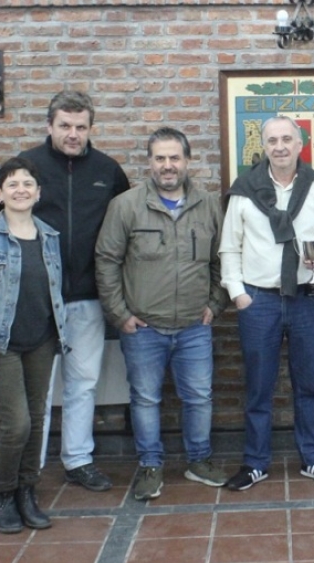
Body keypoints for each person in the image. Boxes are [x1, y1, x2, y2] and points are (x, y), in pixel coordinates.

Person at [0, 90, 129, 492]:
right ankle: (32, 464)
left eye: (81, 127)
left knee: (83, 383)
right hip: (35, 300)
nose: (73, 134)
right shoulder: (26, 167)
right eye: (65, 126)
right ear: (50, 126)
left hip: (87, 296)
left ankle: (78, 460)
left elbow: (122, 227)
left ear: (91, 128)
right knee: (37, 389)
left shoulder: (108, 170)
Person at [95, 128, 229, 501]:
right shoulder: (125, 206)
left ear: (187, 161)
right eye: (160, 158)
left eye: (174, 158)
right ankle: (150, 465)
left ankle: (199, 460)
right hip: (142, 327)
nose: (167, 166)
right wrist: (120, 314)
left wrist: (215, 304)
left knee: (200, 397)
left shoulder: (208, 205)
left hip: (194, 325)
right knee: (145, 399)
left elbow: (224, 259)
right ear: (149, 162)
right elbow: (106, 261)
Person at [219, 115, 314, 491]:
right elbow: (229, 245)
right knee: (259, 387)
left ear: (300, 143)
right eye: (272, 140)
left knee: (310, 384)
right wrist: (238, 294)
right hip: (259, 301)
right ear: (264, 146)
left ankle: (313, 459)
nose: (280, 147)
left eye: (287, 139)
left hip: (308, 298)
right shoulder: (244, 189)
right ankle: (255, 462)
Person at [0, 157, 66, 534]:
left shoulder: (50, 236)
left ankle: (27, 491)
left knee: (37, 422)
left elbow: (54, 292)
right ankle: (2, 494)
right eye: (12, 184)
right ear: (0, 194)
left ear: (37, 193)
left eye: (27, 183)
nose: (21, 189)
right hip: (0, 344)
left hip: (41, 341)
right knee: (16, 424)